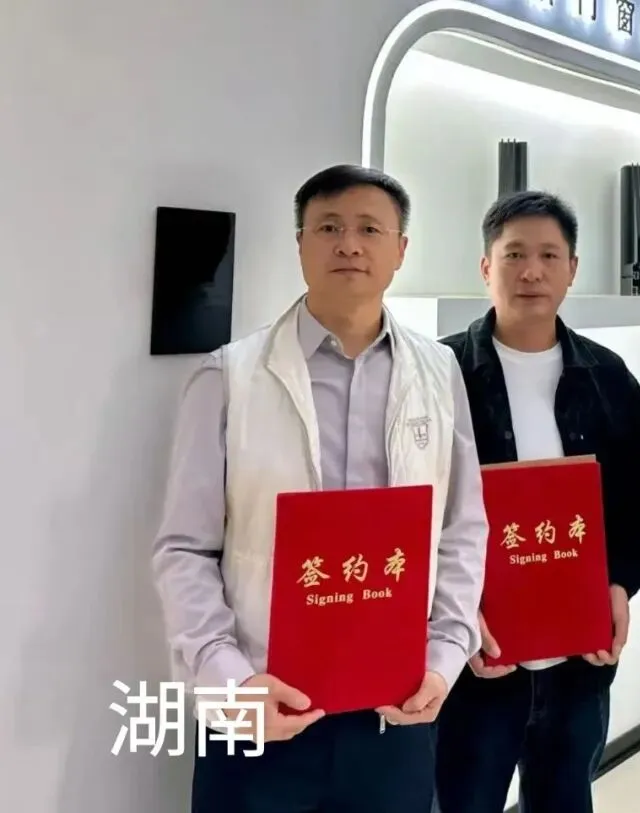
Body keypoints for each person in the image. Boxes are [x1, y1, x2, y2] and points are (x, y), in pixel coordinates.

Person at [152, 164, 489, 813]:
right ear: (301, 244)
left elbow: (461, 527)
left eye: (369, 229)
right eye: (329, 227)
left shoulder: (438, 370)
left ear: (400, 249)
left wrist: (445, 654)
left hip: (393, 712)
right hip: (261, 707)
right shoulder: (229, 376)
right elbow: (185, 548)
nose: (349, 245)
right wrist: (230, 680)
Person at [435, 191, 640, 813]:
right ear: (486, 267)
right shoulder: (438, 372)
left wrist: (619, 584)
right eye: (514, 255)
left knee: (564, 796)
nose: (531, 271)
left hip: (578, 660)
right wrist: (450, 612)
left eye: (548, 255)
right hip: (474, 656)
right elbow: (411, 508)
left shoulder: (606, 376)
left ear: (572, 268)